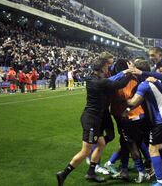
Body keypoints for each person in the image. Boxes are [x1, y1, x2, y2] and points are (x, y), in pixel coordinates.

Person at [56, 57, 133, 185]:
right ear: (103, 68)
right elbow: (120, 84)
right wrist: (130, 73)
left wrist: (124, 72)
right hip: (91, 120)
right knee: (85, 150)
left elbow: (111, 80)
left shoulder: (91, 78)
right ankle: (63, 174)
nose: (108, 69)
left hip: (94, 118)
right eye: (107, 67)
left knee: (101, 143)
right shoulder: (101, 82)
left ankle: (91, 172)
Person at [126, 60, 162, 186]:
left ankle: (160, 181)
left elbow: (133, 102)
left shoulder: (144, 84)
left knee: (152, 148)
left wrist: (120, 99)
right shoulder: (155, 79)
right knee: (158, 145)